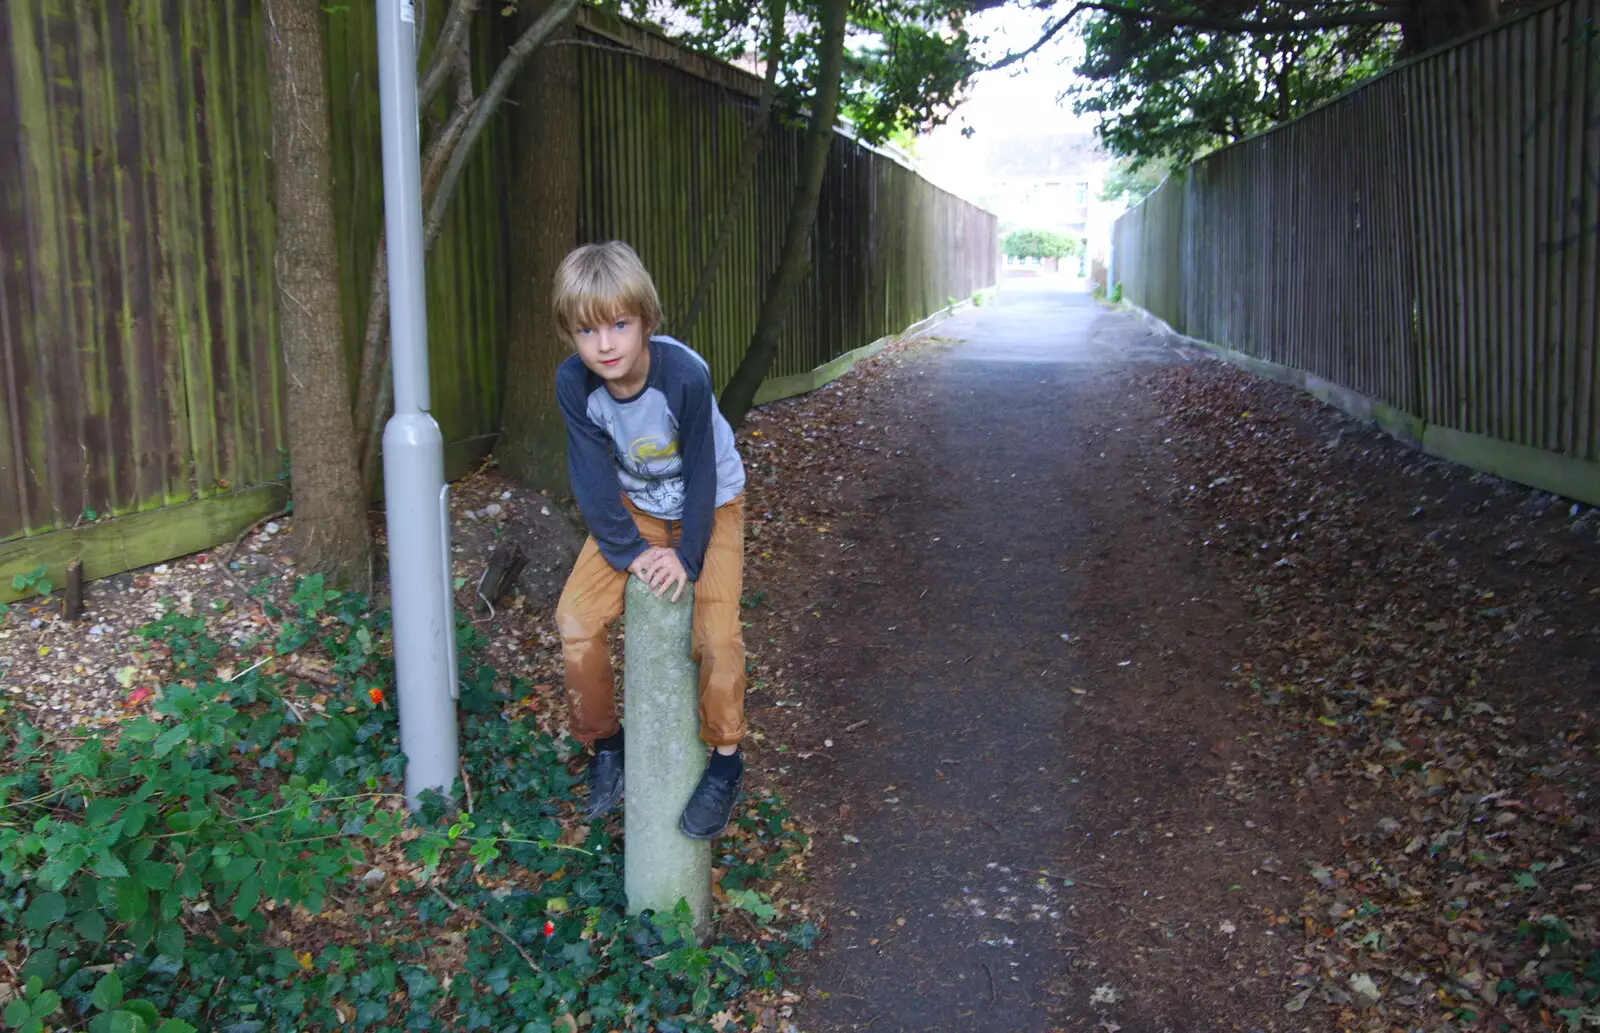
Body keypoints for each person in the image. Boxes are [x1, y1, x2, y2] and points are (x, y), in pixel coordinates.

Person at [550, 241, 749, 840]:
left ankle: (726, 760)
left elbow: (702, 470)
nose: (605, 344)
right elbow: (589, 474)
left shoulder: (683, 374)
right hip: (635, 509)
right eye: (588, 331)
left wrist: (685, 556)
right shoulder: (573, 384)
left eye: (619, 324)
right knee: (575, 619)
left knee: (715, 635)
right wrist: (632, 552)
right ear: (571, 334)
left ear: (646, 322)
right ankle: (607, 746)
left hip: (708, 504)